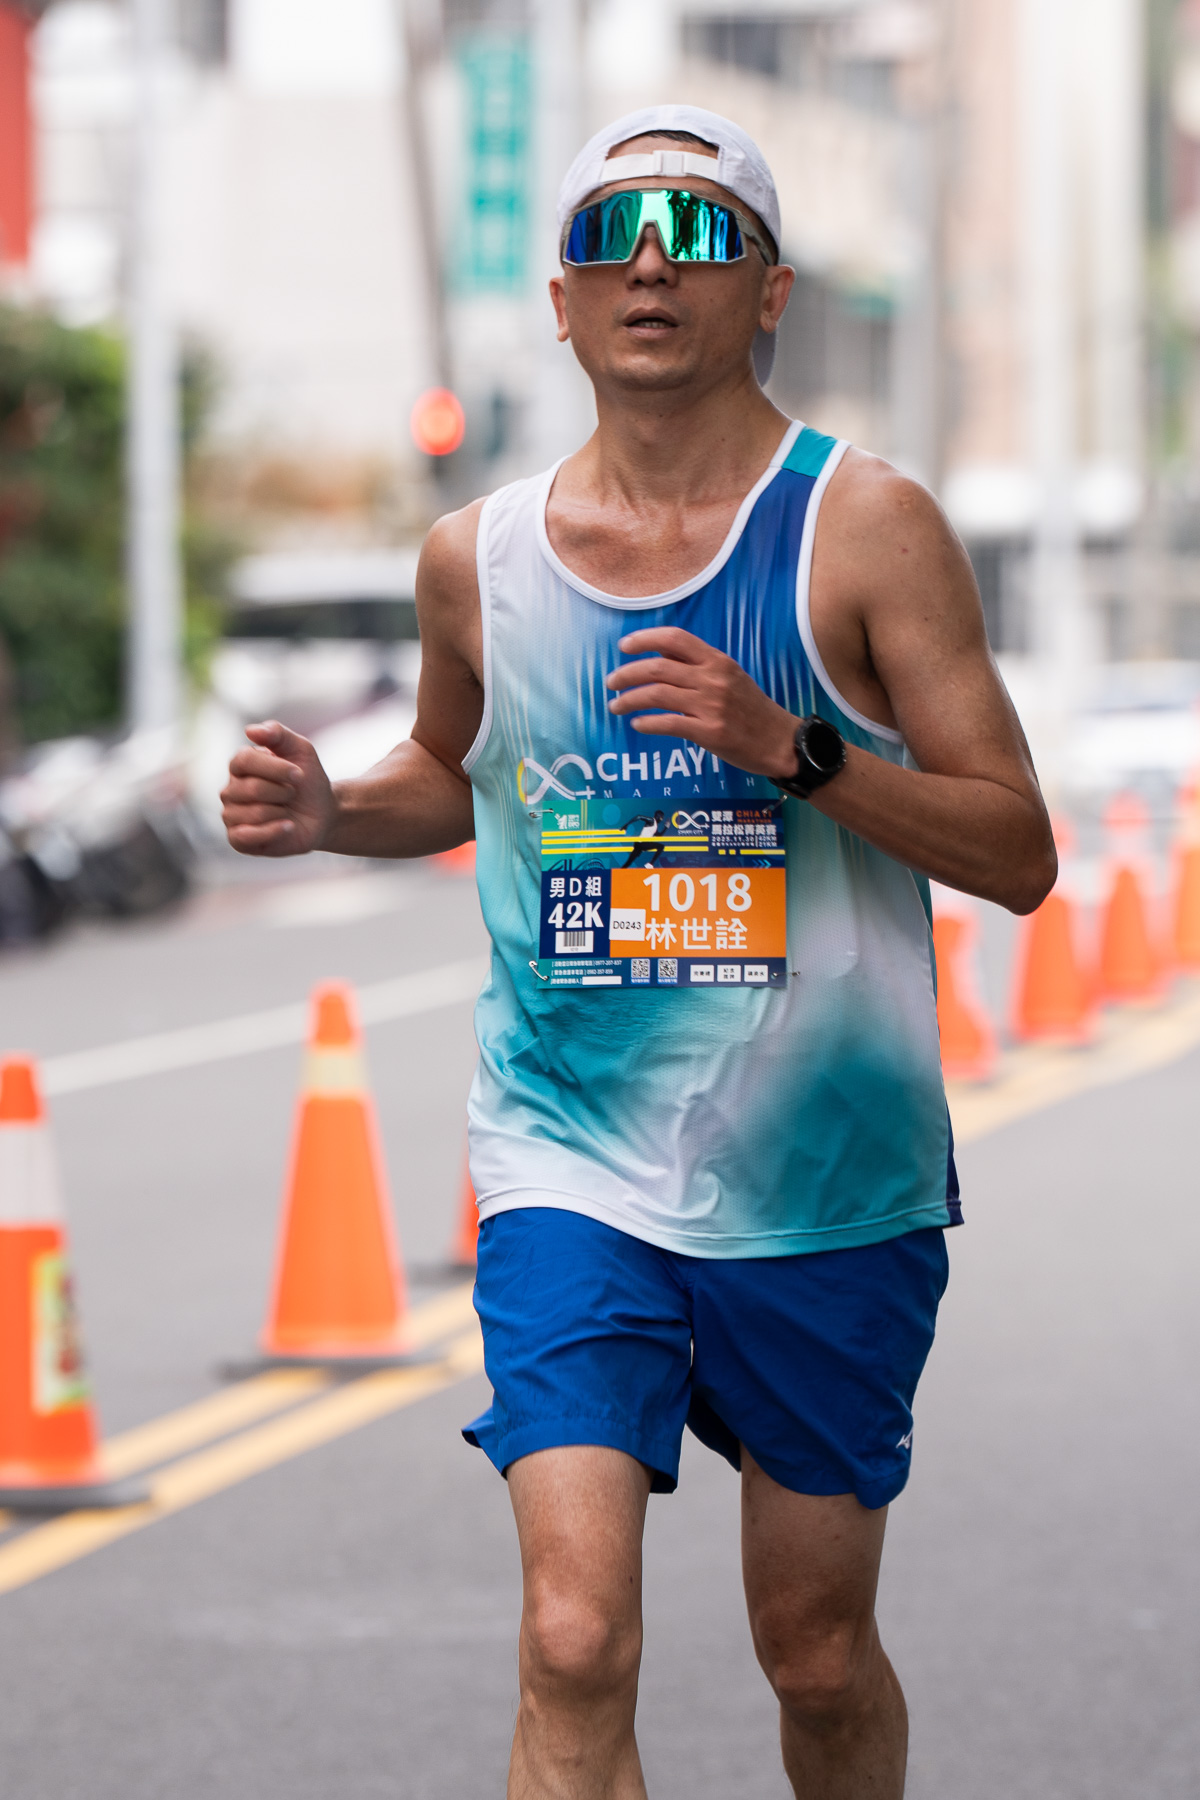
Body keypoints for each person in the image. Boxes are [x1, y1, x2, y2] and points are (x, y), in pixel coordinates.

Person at [222, 104, 1055, 1800]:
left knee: (814, 1656)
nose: (652, 270)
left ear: (771, 289)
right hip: (569, 1160)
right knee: (573, 1633)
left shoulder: (865, 528)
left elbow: (1020, 851)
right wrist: (331, 810)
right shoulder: (476, 559)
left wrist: (792, 749)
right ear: (562, 300)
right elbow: (450, 772)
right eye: (614, 238)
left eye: (698, 235)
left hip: (825, 1180)